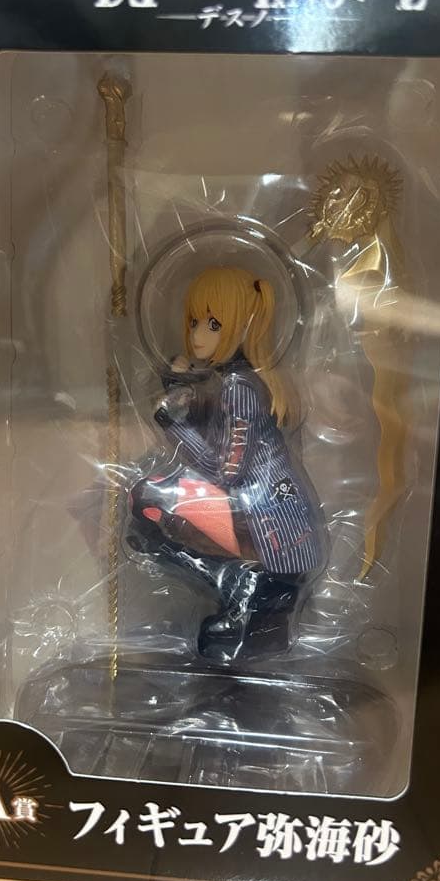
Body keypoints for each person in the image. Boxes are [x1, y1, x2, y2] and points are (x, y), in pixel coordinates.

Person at [127, 266, 325, 663]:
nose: (198, 335)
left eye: (214, 324)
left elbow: (225, 472)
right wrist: (177, 390)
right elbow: (220, 440)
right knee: (150, 505)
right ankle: (240, 602)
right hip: (264, 523)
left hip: (272, 533)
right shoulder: (234, 383)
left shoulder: (239, 388)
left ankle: (248, 604)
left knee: (150, 505)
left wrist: (174, 424)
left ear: (240, 325)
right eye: (194, 322)